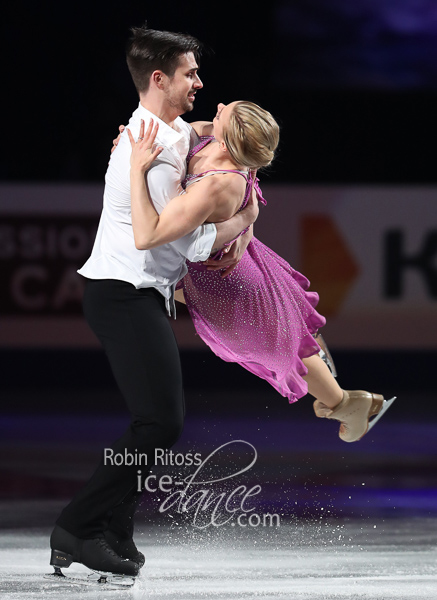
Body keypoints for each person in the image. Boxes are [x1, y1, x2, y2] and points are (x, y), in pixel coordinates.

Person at [49, 25, 259, 580]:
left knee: (153, 420)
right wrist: (243, 220)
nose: (200, 80)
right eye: (190, 73)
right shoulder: (157, 149)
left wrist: (205, 126)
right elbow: (180, 239)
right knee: (160, 424)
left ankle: (115, 528)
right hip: (125, 293)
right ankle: (80, 527)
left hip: (132, 293)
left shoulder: (154, 130)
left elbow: (181, 135)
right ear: (159, 78)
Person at [124, 100, 395, 450]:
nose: (218, 106)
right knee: (279, 336)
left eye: (225, 111)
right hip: (231, 263)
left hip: (228, 284)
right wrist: (246, 223)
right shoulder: (218, 140)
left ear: (230, 137)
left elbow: (156, 233)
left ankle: (344, 403)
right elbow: (204, 144)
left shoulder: (219, 184)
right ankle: (344, 401)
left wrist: (133, 168)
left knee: (272, 345)